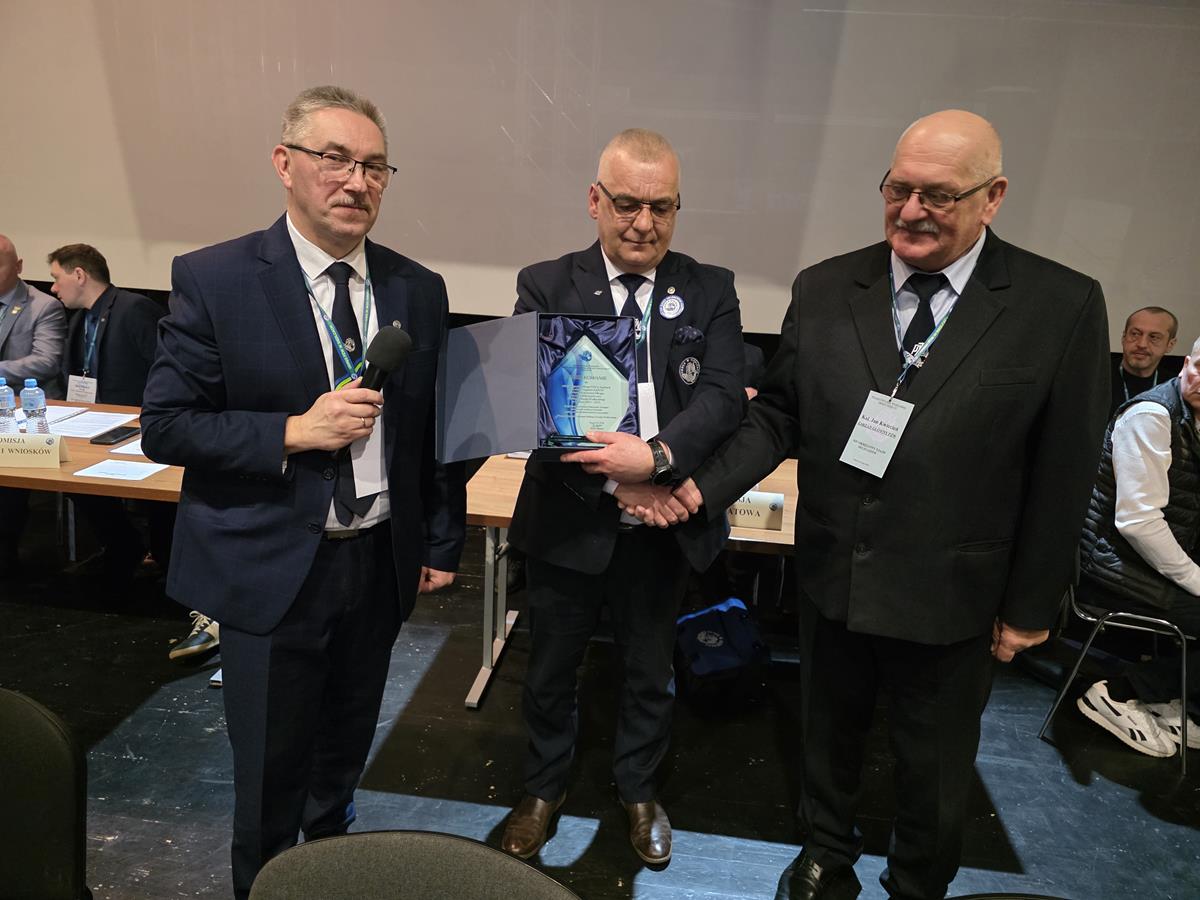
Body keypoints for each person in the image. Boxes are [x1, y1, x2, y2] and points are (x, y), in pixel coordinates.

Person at [671, 110, 1109, 900]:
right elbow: (779, 414)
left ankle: (916, 884)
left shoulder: (1060, 305)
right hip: (832, 575)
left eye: (938, 195)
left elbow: (1065, 470)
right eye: (897, 189)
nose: (910, 212)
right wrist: (698, 487)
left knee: (933, 769)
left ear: (993, 196)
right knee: (826, 739)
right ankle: (824, 855)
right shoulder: (826, 286)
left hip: (955, 596)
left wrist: (1031, 606)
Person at [140, 85, 466, 899]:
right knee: (267, 782)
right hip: (271, 569)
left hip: (377, 565)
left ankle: (330, 878)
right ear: (285, 164)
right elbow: (168, 427)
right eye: (335, 159)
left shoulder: (417, 287)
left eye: (375, 166)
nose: (357, 181)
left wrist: (439, 541)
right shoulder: (216, 277)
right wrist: (293, 431)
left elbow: (430, 431)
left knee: (341, 764)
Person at [500, 128, 745, 866]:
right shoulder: (546, 284)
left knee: (650, 670)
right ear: (594, 200)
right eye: (627, 205)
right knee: (550, 668)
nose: (643, 223)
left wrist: (659, 463)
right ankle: (543, 788)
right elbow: (538, 410)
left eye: (660, 207)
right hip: (569, 520)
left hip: (662, 530)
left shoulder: (710, 288)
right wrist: (624, 481)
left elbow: (724, 398)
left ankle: (639, 789)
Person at [1077, 337, 1200, 757]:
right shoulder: (1151, 417)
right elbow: (1138, 524)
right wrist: (1196, 579)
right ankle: (1120, 692)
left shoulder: (1192, 418)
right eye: (1199, 367)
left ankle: (1168, 696)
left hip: (1148, 566)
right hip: (1112, 569)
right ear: (1185, 364)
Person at [48, 243, 170, 585]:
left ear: (79, 275)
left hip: (138, 427)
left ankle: (159, 555)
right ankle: (123, 544)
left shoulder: (134, 310)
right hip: (93, 424)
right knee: (68, 474)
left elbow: (164, 369)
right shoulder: (80, 319)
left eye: (56, 278)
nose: (53, 288)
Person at [0, 233, 66, 572]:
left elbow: (46, 361)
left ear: (19, 266)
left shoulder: (43, 306)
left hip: (26, 412)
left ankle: (5, 552)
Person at [1110, 306, 1178, 417]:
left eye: (1154, 337)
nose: (1142, 344)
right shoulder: (1095, 379)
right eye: (1135, 334)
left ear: (1170, 345)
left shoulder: (1177, 389)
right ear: (1123, 337)